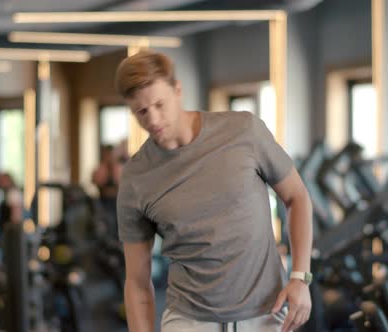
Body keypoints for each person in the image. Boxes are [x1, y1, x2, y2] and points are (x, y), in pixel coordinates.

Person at [115, 51, 313, 332]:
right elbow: (136, 282)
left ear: (178, 90)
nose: (154, 119)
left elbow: (298, 197)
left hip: (266, 314)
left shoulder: (243, 131)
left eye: (160, 104)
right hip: (189, 321)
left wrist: (300, 277)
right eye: (142, 112)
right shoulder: (136, 179)